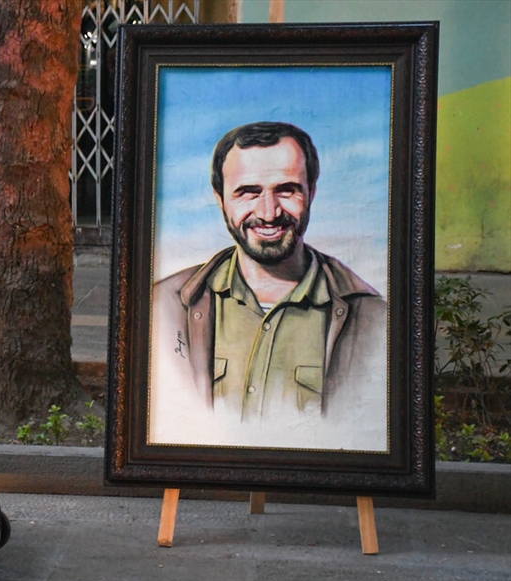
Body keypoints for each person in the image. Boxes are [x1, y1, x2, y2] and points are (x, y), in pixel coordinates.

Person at [149, 121, 387, 451]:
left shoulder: (372, 318)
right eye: (248, 192)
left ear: (312, 191)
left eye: (286, 189)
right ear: (220, 199)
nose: (268, 212)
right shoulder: (165, 307)